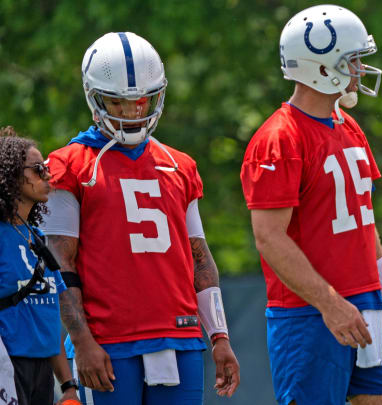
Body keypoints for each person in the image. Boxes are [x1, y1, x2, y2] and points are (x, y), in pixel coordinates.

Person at [40, 32, 239, 404]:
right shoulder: (68, 165)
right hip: (109, 344)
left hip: (179, 337)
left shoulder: (179, 165)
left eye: (142, 100)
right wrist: (81, 341)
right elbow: (59, 264)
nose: (133, 112)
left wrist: (220, 336)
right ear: (95, 97)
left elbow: (200, 258)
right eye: (118, 102)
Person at [240, 5, 382, 405]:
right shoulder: (279, 138)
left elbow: (364, 223)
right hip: (309, 313)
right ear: (322, 67)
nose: (359, 70)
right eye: (352, 60)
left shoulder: (348, 125)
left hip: (365, 301)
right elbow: (268, 238)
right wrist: (330, 304)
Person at [0, 126, 80, 404]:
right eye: (37, 169)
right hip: (6, 367)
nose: (48, 175)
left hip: (42, 373)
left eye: (46, 168)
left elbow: (48, 318)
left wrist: (68, 385)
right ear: (9, 174)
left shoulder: (38, 238)